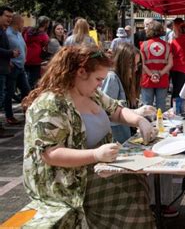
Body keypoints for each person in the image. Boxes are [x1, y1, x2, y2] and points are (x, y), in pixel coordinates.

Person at [22, 45, 156, 228]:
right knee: (130, 200)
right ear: (81, 72)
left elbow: (115, 110)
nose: (101, 83)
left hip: (94, 172)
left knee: (135, 188)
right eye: (98, 79)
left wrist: (138, 120)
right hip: (69, 183)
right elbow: (51, 154)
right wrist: (95, 155)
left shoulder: (90, 93)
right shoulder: (50, 105)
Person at [102, 43, 151, 143]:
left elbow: (129, 104)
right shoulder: (112, 78)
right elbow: (107, 113)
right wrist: (137, 113)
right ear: (122, 63)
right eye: (132, 65)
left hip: (126, 136)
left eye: (137, 64)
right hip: (115, 139)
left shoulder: (127, 79)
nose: (136, 69)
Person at [140, 21, 173, 112]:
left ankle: (148, 124)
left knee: (147, 106)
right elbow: (170, 64)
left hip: (147, 78)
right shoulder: (167, 46)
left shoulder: (143, 45)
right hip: (162, 78)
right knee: (161, 105)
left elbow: (142, 64)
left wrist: (151, 75)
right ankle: (160, 125)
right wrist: (159, 74)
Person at [5, 14, 30, 125]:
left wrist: (24, 58)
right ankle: (9, 116)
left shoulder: (18, 34)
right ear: (17, 23)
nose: (23, 25)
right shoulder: (8, 34)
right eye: (22, 23)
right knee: (9, 93)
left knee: (26, 91)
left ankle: (27, 113)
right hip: (13, 67)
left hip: (21, 67)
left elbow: (23, 47)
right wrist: (8, 61)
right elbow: (5, 49)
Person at [0, 6, 19, 138]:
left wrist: (9, 60)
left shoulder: (3, 30)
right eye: (7, 16)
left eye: (11, 17)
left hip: (4, 68)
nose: (9, 19)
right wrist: (10, 53)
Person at [170, 22, 185, 102]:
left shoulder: (174, 41)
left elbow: (171, 55)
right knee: (182, 91)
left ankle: (173, 107)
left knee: (175, 89)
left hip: (174, 68)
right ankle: (180, 109)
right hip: (184, 68)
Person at [24, 15, 50, 89]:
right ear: (45, 24)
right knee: (33, 79)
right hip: (36, 59)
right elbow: (46, 44)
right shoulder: (43, 34)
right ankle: (28, 94)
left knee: (26, 77)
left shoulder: (29, 31)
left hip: (27, 56)